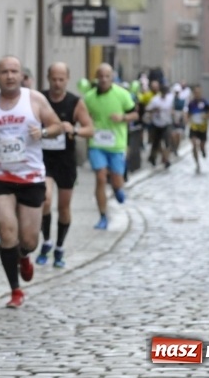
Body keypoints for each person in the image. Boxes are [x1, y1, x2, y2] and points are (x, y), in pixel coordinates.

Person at [0, 55, 63, 308]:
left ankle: (24, 256)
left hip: (31, 177)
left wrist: (42, 132)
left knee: (29, 241)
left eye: (14, 71)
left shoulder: (35, 100)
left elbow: (57, 125)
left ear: (21, 75)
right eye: (4, 72)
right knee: (7, 233)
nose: (10, 76)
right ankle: (15, 291)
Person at [36, 62, 94, 268]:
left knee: (64, 206)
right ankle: (47, 241)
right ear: (48, 78)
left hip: (66, 161)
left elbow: (90, 129)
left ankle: (59, 246)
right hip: (44, 159)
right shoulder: (40, 99)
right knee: (45, 199)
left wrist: (75, 130)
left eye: (61, 79)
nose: (57, 83)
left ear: (67, 79)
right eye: (54, 79)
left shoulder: (75, 102)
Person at [83, 63, 139, 230]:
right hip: (97, 143)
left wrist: (122, 117)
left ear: (112, 77)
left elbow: (135, 114)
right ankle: (102, 216)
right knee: (100, 177)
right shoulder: (89, 97)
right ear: (96, 78)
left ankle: (118, 188)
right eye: (101, 76)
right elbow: (84, 117)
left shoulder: (122, 94)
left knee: (116, 179)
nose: (104, 79)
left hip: (116, 144)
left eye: (107, 76)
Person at [184, 84, 209, 174]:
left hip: (203, 128)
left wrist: (206, 116)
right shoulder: (191, 103)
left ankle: (203, 149)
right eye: (195, 92)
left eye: (199, 92)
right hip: (194, 127)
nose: (197, 94)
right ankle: (197, 163)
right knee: (194, 144)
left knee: (201, 145)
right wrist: (187, 119)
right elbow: (187, 114)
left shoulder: (205, 102)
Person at [146, 84, 174, 169]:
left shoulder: (170, 99)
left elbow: (172, 108)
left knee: (167, 143)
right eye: (163, 92)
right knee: (156, 143)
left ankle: (166, 159)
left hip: (167, 123)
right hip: (156, 124)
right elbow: (147, 109)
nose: (164, 94)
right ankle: (152, 157)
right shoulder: (155, 100)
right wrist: (155, 110)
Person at [170, 83, 187, 154]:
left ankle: (176, 149)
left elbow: (184, 110)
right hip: (172, 119)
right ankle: (173, 147)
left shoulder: (182, 101)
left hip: (179, 119)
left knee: (178, 136)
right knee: (173, 136)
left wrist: (184, 119)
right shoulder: (171, 100)